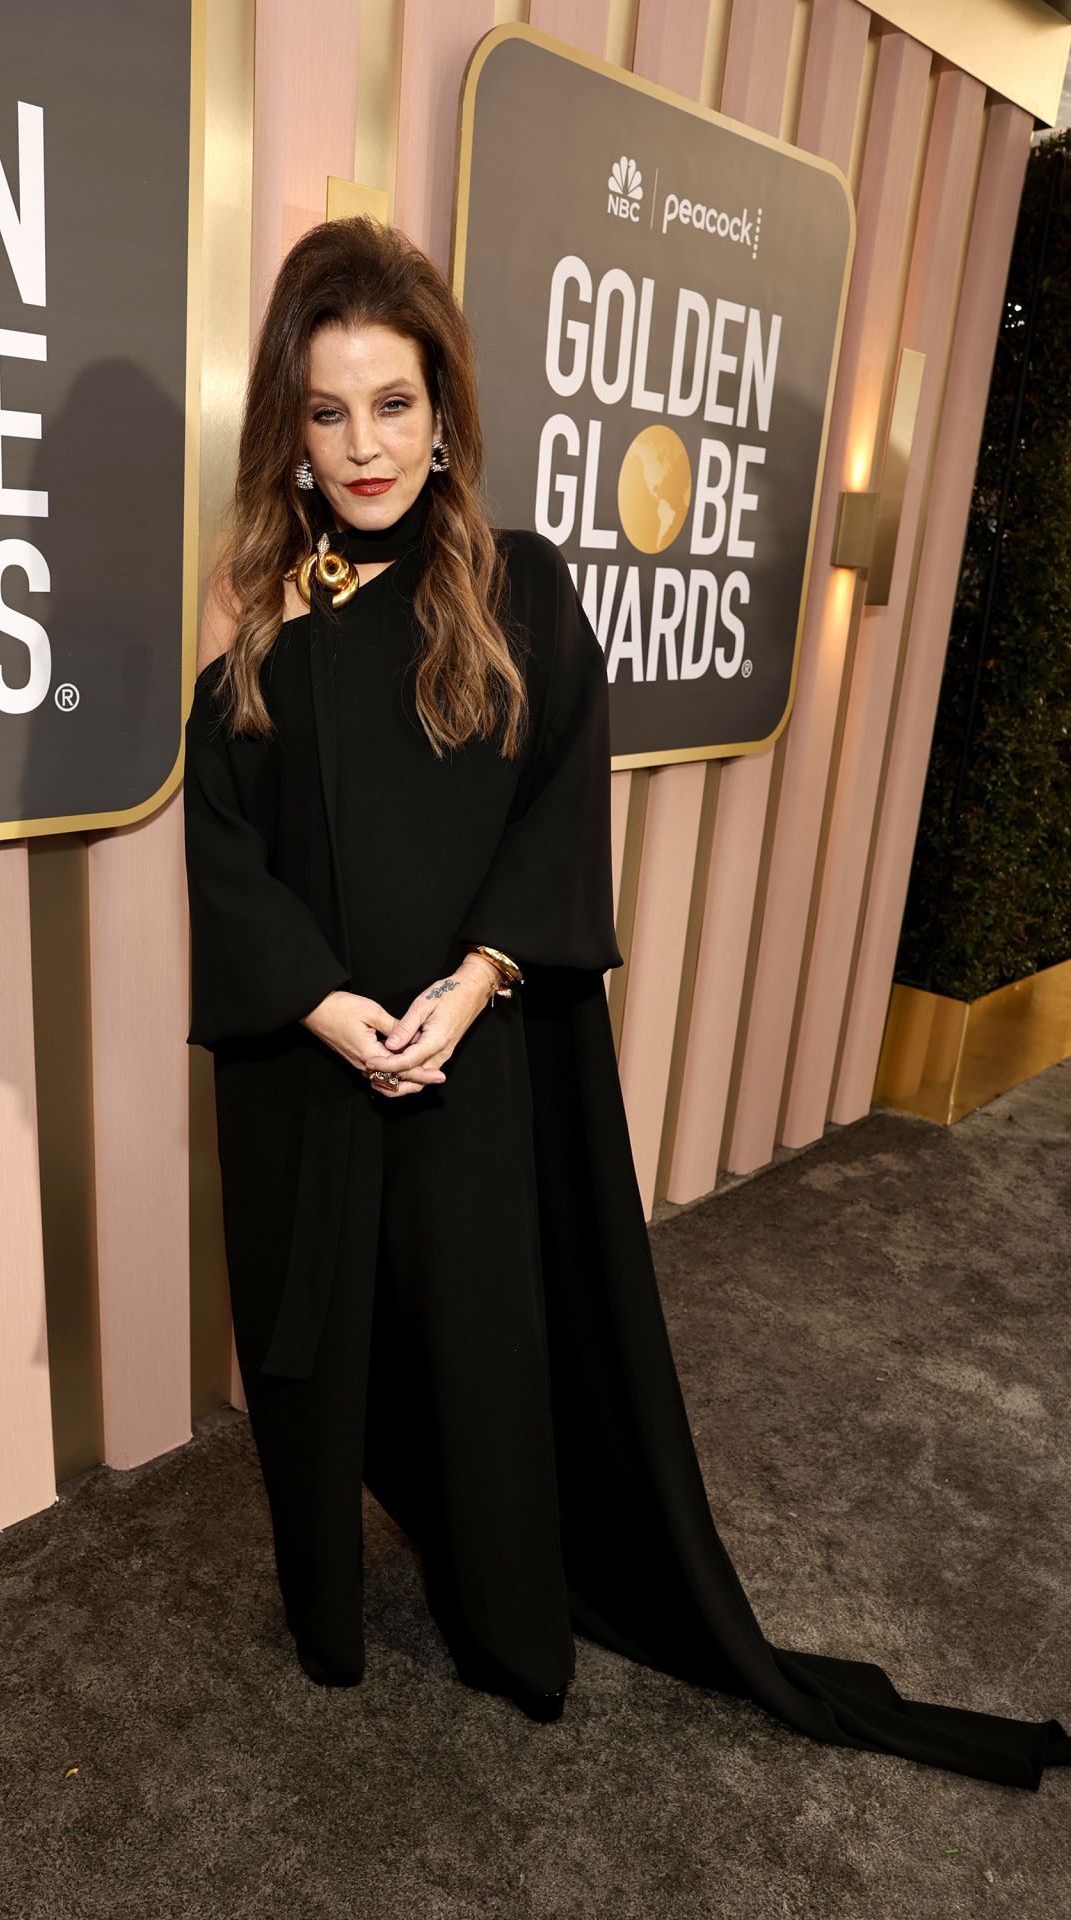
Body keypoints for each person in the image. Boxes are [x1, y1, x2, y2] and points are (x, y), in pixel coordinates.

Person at [183, 214, 1069, 1789]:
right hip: (312, 1067)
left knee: (475, 1334)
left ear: (445, 415)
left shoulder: (520, 590)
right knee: (316, 1344)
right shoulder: (260, 632)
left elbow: (558, 808)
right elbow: (229, 854)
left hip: (474, 1047)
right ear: (291, 433)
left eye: (394, 405)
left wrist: (465, 992)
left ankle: (510, 1622)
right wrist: (326, 1009)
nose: (365, 444)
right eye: (328, 412)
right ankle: (327, 1616)